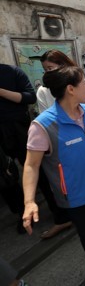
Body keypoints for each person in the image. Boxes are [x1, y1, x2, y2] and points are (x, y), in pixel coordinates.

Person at [22, 66, 85, 286]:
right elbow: (31, 165)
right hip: (75, 195)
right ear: (70, 89)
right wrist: (29, 201)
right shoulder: (44, 125)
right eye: (83, 82)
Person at [35, 50, 85, 240]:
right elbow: (32, 163)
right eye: (46, 69)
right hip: (61, 148)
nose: (48, 72)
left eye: (52, 68)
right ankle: (68, 219)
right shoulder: (43, 100)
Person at [0, 64, 36, 234]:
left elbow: (30, 97)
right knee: (5, 178)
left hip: (18, 129)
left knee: (34, 167)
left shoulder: (12, 72)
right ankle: (21, 213)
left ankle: (57, 212)